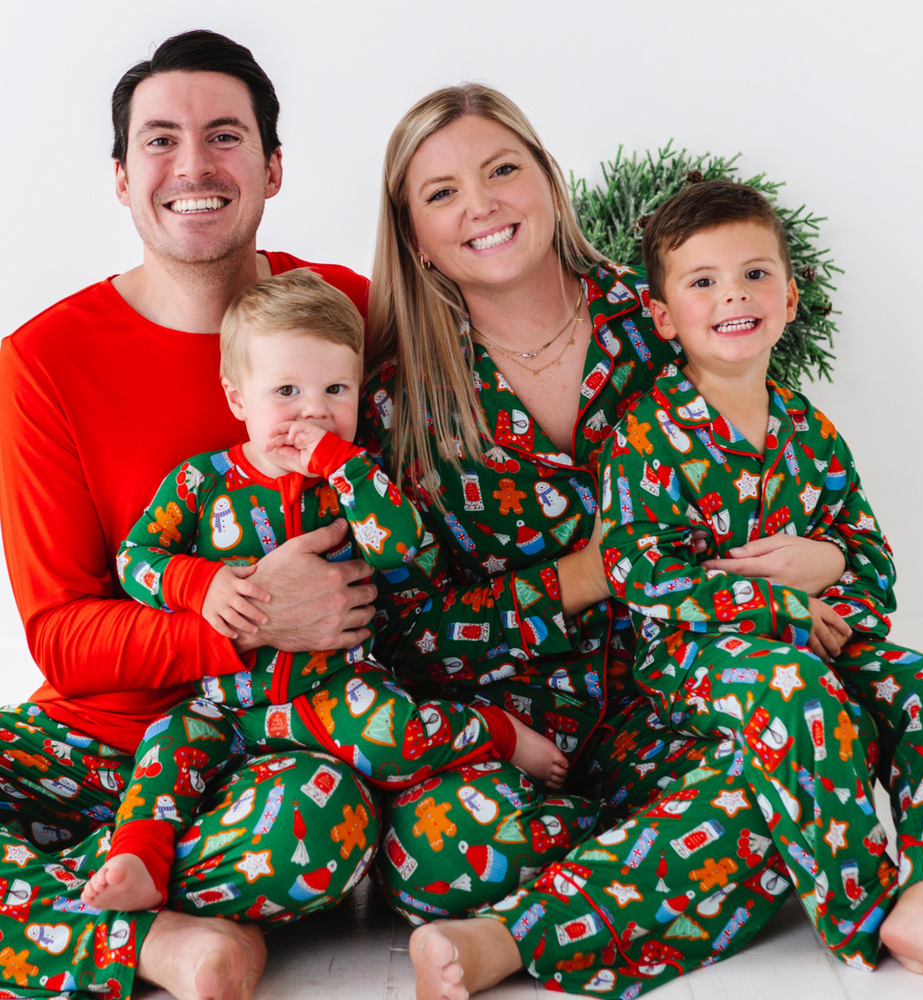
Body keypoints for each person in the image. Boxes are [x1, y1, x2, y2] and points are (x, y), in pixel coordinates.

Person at [359, 84, 867, 999]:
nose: (481, 204)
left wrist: (808, 571)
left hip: (684, 697)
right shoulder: (403, 406)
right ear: (412, 234)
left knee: (796, 758)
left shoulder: (669, 316)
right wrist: (584, 576)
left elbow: (768, 485)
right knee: (443, 861)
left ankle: (534, 927)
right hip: (514, 737)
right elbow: (405, 636)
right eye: (440, 193)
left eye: (503, 169)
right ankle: (663, 864)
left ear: (548, 180)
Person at [0, 30, 376, 1000]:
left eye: (224, 136)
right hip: (97, 737)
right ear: (122, 177)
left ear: (272, 166)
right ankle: (173, 940)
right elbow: (61, 633)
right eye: (160, 141)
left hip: (275, 750)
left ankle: (89, 901)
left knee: (318, 823)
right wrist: (247, 617)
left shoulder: (350, 316)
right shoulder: (40, 363)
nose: (194, 165)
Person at [600, 180, 923, 984]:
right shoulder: (645, 432)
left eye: (753, 275)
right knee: (799, 691)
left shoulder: (808, 429)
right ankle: (874, 917)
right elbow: (638, 570)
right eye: (703, 281)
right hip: (692, 666)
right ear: (662, 314)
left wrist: (836, 564)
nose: (733, 295)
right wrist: (779, 604)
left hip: (826, 639)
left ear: (789, 296)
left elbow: (874, 561)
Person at [81, 268, 567, 913]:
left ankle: (492, 732)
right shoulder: (202, 482)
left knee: (396, 742)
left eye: (335, 389)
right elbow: (135, 560)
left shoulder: (357, 479)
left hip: (335, 689)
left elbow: (402, 550)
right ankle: (137, 858)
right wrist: (199, 583)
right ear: (236, 398)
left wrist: (346, 468)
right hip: (227, 703)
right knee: (166, 750)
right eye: (286, 390)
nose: (313, 411)